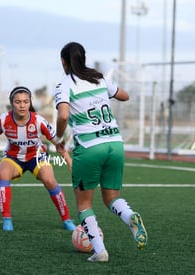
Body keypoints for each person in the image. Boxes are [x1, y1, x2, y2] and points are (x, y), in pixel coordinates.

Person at [54, 42, 147, 262]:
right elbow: (124, 96)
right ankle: (130, 216)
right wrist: (106, 93)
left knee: (84, 204)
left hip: (89, 147)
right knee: (111, 197)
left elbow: (64, 116)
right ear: (84, 59)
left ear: (64, 62)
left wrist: (59, 139)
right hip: (115, 143)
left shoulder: (65, 84)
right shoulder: (99, 78)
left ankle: (100, 251)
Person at [0, 86, 76, 231]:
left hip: (36, 157)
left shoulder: (38, 121)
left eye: (26, 102)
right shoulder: (4, 120)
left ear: (30, 103)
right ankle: (7, 219)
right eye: (18, 102)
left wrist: (69, 161)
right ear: (12, 103)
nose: (22, 105)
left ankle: (67, 219)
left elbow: (57, 142)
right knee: (3, 174)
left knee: (50, 180)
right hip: (13, 157)